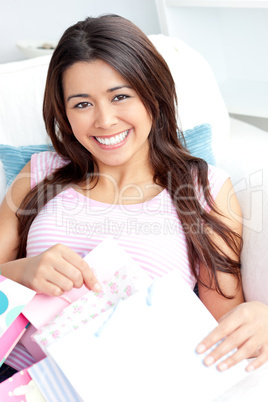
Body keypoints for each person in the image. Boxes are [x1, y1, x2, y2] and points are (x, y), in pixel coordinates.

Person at [0, 14, 268, 380]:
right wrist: (21, 272)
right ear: (64, 113)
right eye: (82, 104)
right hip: (16, 375)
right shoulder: (39, 172)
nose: (105, 120)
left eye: (120, 96)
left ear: (152, 94)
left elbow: (220, 323)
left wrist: (258, 321)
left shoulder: (204, 189)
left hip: (129, 383)